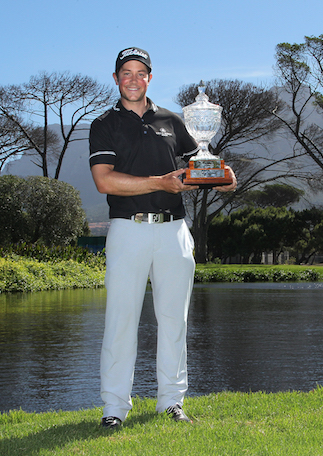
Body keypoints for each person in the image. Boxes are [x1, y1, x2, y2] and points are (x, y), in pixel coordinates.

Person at [89, 47, 237, 430]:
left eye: (141, 72)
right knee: (120, 321)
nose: (134, 79)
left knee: (174, 320)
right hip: (127, 229)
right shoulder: (104, 123)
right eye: (127, 72)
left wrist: (223, 176)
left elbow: (196, 168)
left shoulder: (173, 120)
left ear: (150, 78)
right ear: (116, 78)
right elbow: (105, 180)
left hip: (174, 231)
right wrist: (160, 182)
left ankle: (171, 402)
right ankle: (114, 408)